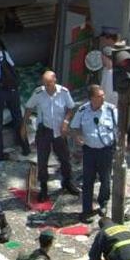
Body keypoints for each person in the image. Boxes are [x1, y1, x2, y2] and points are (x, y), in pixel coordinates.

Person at [22, 70, 80, 200]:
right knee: (42, 161)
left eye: (49, 83)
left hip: (59, 131)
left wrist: (66, 122)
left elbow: (71, 108)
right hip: (44, 131)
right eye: (45, 84)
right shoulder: (39, 93)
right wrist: (23, 126)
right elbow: (29, 107)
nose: (46, 86)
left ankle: (67, 182)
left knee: (65, 159)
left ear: (55, 81)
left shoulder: (64, 92)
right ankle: (43, 188)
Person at [68, 84, 118, 222]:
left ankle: (103, 203)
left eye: (103, 95)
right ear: (91, 98)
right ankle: (86, 209)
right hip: (89, 151)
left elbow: (120, 127)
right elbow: (73, 128)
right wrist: (77, 136)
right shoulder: (83, 110)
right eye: (99, 96)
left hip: (106, 150)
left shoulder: (111, 110)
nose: (103, 98)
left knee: (105, 179)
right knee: (87, 180)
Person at [0, 34, 30, 159]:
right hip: (12, 89)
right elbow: (12, 68)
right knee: (18, 119)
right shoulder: (4, 53)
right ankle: (25, 147)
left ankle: (0, 154)